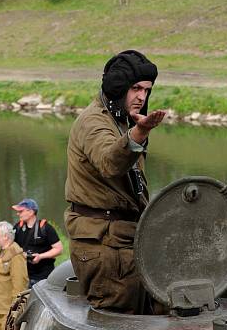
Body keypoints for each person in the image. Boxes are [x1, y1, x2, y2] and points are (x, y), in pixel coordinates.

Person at [64, 49, 166, 312]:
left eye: (147, 90)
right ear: (118, 88)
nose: (142, 97)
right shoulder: (93, 122)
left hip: (124, 240)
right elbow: (110, 162)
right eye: (135, 89)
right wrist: (139, 134)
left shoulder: (121, 120)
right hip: (105, 248)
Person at [12, 198, 63, 288]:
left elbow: (59, 249)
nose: (18, 214)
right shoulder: (17, 227)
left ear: (31, 212)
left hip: (43, 277)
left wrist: (40, 256)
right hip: (24, 275)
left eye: (21, 211)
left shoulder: (46, 228)